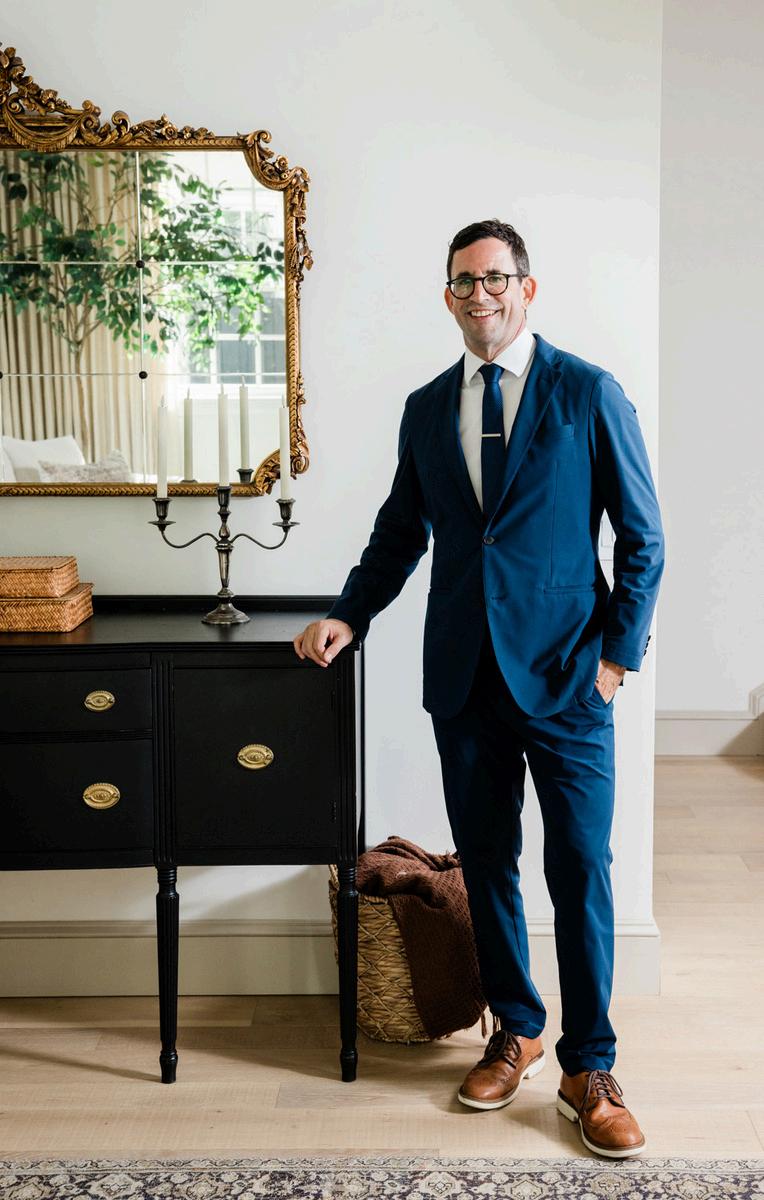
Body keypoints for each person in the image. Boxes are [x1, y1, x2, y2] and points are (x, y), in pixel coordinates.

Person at [293, 219, 665, 1159]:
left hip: (570, 679)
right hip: (465, 679)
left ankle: (591, 1066)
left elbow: (644, 536)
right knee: (489, 862)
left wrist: (615, 658)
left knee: (580, 868)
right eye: (463, 282)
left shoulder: (587, 392)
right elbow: (400, 531)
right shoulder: (428, 408)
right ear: (448, 296)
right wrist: (350, 614)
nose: (480, 295)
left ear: (525, 289)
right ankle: (517, 1030)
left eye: (496, 278)